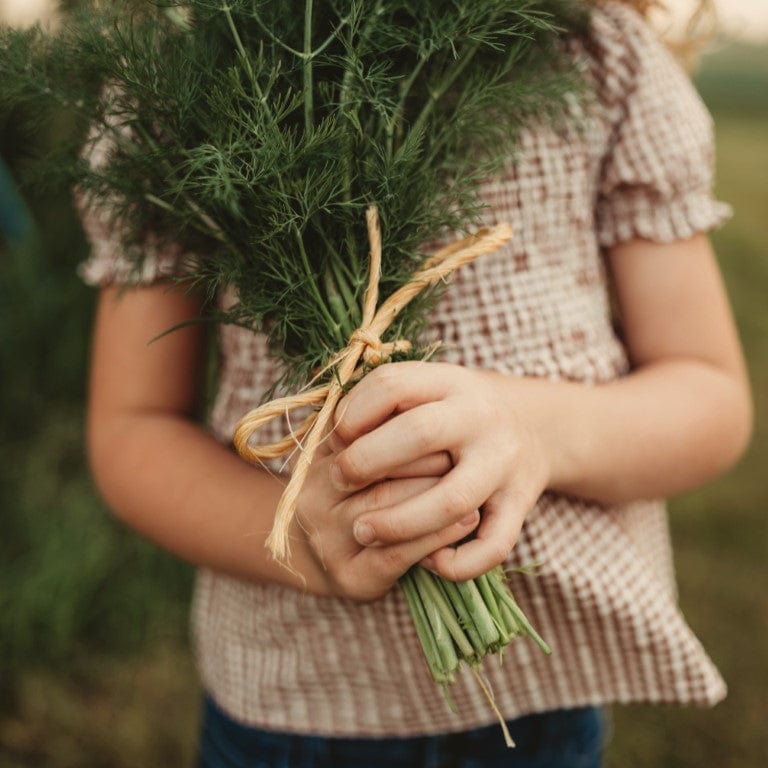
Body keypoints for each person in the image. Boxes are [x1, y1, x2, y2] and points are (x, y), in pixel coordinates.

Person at [79, 1, 752, 766]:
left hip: (547, 698)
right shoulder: (180, 79)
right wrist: (302, 538)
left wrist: (535, 431)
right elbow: (133, 428)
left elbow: (710, 397)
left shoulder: (600, 58)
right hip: (294, 704)